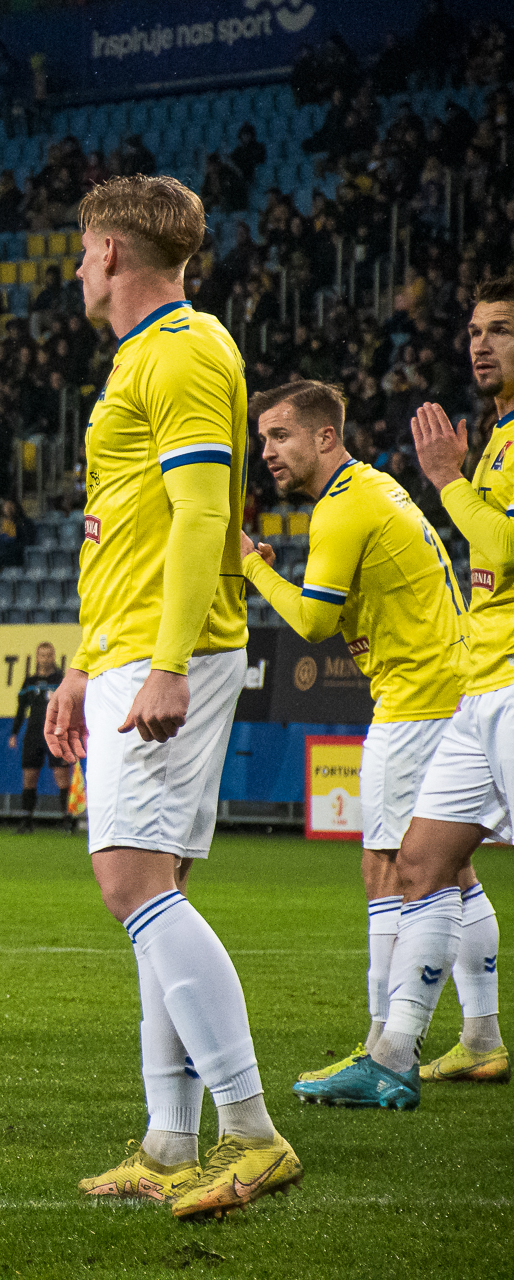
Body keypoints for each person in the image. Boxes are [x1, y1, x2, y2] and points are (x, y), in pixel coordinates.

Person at [44, 175, 301, 1219]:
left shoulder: (185, 348)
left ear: (110, 252)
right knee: (153, 888)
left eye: (82, 251)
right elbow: (130, 522)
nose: (76, 269)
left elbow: (203, 518)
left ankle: (252, 1132)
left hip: (167, 649)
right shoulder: (146, 354)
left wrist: (164, 660)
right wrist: (83, 660)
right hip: (129, 645)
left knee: (131, 882)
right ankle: (167, 1139)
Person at [237, 381, 488, 1103]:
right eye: (262, 439)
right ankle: (481, 1036)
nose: (267, 451)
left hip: (417, 701)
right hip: (450, 686)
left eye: (280, 435)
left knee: (389, 866)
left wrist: (252, 565)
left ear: (325, 437)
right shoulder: (375, 488)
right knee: (450, 867)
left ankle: (385, 1047)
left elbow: (314, 624)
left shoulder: (344, 506)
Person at [328, 275, 514, 1107]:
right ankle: (397, 1053)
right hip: (481, 687)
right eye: (475, 331)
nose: (481, 345)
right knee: (422, 863)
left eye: (501, 330)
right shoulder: (499, 440)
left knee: (422, 865)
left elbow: (503, 547)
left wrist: (447, 479)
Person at [9, 641, 73, 835]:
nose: (45, 659)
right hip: (33, 734)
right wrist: (14, 733)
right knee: (29, 776)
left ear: (53, 656)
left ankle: (67, 819)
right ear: (37, 658)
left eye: (48, 655)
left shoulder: (61, 680)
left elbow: (70, 705)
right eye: (42, 655)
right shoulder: (30, 682)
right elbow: (21, 709)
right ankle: (26, 819)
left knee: (61, 776)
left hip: (55, 733)